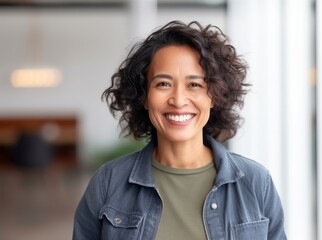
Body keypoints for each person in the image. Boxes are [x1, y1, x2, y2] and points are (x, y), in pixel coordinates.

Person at [73, 20, 287, 240]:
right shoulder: (108, 182)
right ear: (144, 96)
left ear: (214, 96)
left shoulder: (256, 181)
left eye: (194, 85)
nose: (178, 100)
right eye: (163, 84)